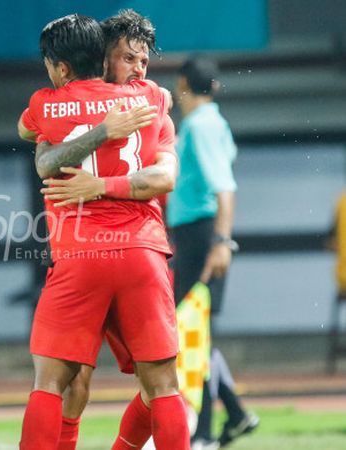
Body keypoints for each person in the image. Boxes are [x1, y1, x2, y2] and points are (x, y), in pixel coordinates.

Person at [17, 14, 188, 450]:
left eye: (144, 60)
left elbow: (33, 141)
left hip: (83, 256)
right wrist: (104, 128)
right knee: (156, 385)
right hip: (139, 256)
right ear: (102, 56)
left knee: (56, 381)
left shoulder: (49, 102)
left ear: (61, 66)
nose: (139, 69)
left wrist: (98, 185)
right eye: (127, 57)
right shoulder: (151, 100)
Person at [167, 56, 258, 450]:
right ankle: (235, 416)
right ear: (215, 87)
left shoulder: (202, 126)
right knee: (193, 332)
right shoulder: (210, 123)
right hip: (196, 235)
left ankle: (202, 433)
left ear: (183, 83)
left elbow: (224, 187)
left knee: (191, 335)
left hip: (203, 236)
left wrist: (222, 243)